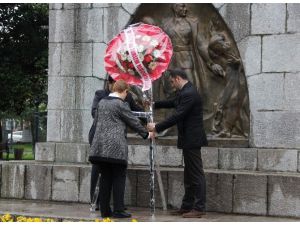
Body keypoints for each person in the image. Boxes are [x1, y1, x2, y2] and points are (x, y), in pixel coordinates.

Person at [147, 69, 208, 218]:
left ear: (178, 78)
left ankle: (199, 207)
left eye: (172, 81)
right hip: (188, 139)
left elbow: (178, 115)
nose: (172, 85)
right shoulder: (185, 92)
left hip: (192, 139)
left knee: (196, 173)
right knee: (189, 175)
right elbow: (172, 103)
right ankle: (187, 206)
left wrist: (157, 127)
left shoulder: (189, 93)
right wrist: (153, 104)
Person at [89, 79, 154, 218]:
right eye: (126, 93)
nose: (126, 96)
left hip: (99, 147)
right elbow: (132, 121)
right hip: (115, 148)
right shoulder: (120, 104)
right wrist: (146, 134)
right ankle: (118, 210)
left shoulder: (102, 102)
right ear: (124, 91)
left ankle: (105, 211)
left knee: (105, 177)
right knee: (119, 177)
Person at [161, 3, 224, 97]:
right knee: (170, 89)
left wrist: (211, 63)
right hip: (171, 61)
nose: (185, 9)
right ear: (175, 8)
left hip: (187, 59)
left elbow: (201, 45)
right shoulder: (165, 24)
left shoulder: (192, 23)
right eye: (182, 6)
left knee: (190, 87)